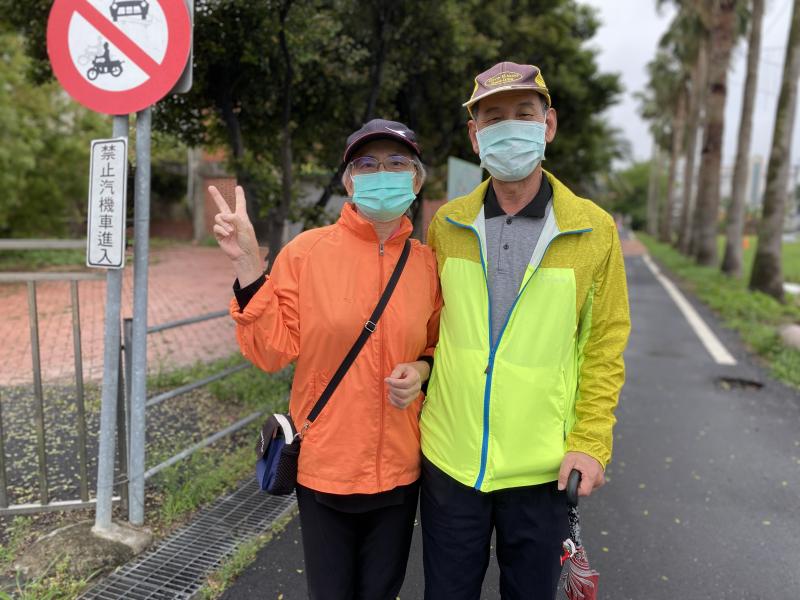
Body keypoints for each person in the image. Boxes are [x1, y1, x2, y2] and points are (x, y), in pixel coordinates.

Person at [420, 61, 631, 599]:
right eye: (493, 118)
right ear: (474, 135)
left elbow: (604, 345)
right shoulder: (447, 224)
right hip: (451, 461)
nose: (508, 127)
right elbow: (427, 327)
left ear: (548, 124)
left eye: (523, 114)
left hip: (544, 470)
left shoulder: (592, 229)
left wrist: (590, 443)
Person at [210, 118, 441, 600]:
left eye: (397, 163)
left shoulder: (426, 265)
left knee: (381, 591)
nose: (383, 173)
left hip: (399, 468)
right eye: (367, 163)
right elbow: (271, 352)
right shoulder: (306, 253)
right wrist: (249, 265)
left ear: (416, 179)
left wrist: (419, 371)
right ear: (349, 181)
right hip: (325, 468)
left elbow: (437, 348)